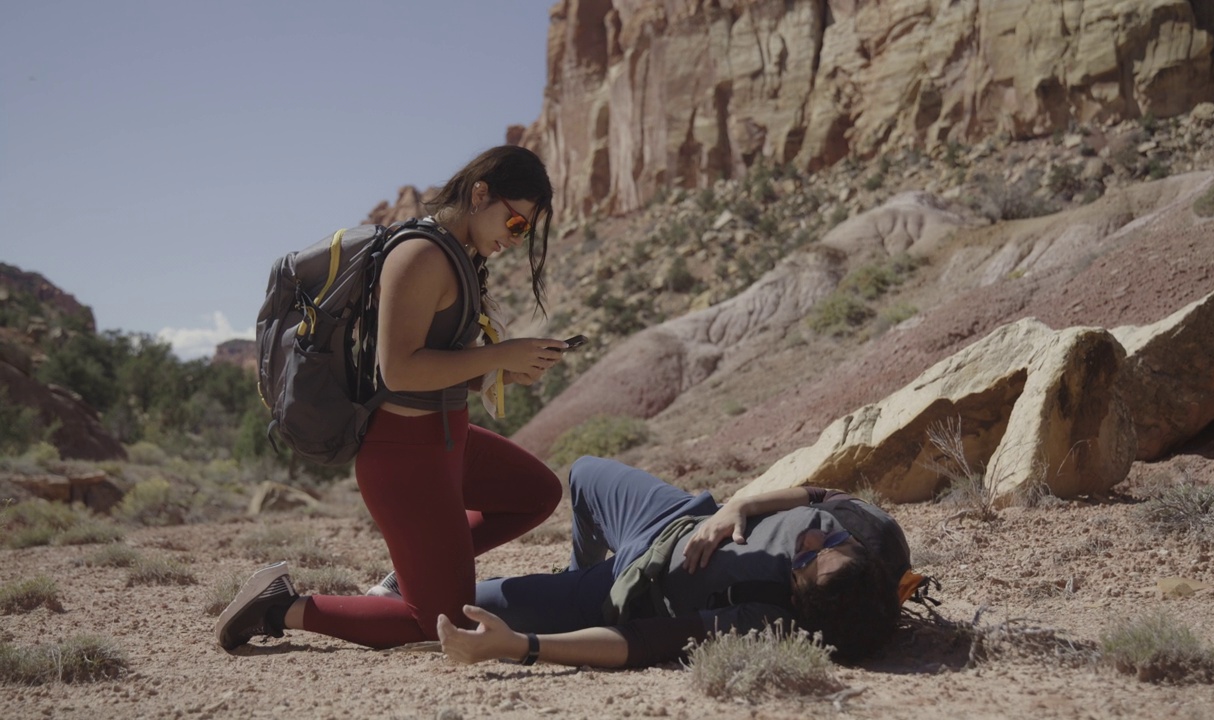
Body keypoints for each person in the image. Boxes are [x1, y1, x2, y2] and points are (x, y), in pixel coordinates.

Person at [216, 146, 566, 652]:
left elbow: (441, 368)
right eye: (516, 222)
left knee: (536, 492)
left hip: (450, 443)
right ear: (480, 193)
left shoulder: (457, 255)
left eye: (525, 230)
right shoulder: (421, 254)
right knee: (438, 629)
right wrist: (498, 356)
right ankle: (279, 607)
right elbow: (399, 369)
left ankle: (414, 575)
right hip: (407, 460)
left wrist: (503, 372)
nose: (516, 238)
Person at [436, 456, 911, 668]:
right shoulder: (879, 537)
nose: (812, 538)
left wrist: (523, 646)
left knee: (461, 603)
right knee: (582, 472)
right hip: (677, 515)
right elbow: (824, 494)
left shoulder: (764, 619)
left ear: (795, 595)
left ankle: (576, 591)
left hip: (630, 583)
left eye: (804, 558)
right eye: (834, 542)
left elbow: (641, 641)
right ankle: (573, 576)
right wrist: (738, 507)